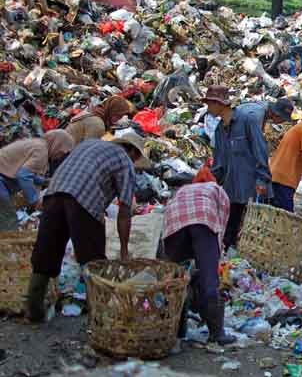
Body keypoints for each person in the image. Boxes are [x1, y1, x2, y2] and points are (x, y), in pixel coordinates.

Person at [26, 130, 148, 322]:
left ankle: (33, 311)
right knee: (94, 262)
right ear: (132, 151)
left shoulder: (87, 144)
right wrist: (124, 249)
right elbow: (125, 210)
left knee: (45, 254)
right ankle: (100, 318)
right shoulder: (125, 161)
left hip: (53, 195)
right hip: (84, 201)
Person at [163, 182, 235, 345]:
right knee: (209, 280)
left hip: (174, 221)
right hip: (203, 218)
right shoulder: (220, 193)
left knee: (175, 279)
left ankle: (176, 330)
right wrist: (211, 259)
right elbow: (219, 229)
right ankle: (217, 334)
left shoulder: (184, 190)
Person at [206, 85, 271, 250]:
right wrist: (210, 181)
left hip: (250, 187)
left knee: (251, 231)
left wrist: (262, 179)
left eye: (210, 103)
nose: (208, 107)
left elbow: (260, 150)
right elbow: (219, 162)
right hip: (230, 190)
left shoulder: (246, 121)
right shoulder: (220, 130)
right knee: (230, 232)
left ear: (220, 104)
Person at [0, 130, 75, 231]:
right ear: (57, 144)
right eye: (61, 152)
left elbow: (26, 172)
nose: (60, 156)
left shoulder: (38, 145)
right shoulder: (42, 151)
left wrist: (44, 181)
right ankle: (7, 245)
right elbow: (23, 176)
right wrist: (35, 201)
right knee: (9, 220)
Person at [65, 95, 135, 143]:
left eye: (121, 116)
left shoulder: (95, 110)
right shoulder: (98, 124)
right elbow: (87, 150)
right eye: (117, 115)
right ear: (110, 110)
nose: (118, 120)